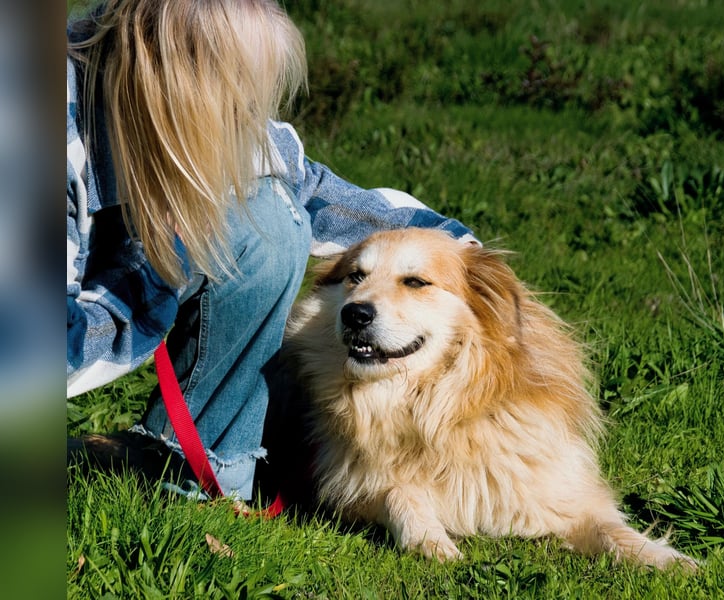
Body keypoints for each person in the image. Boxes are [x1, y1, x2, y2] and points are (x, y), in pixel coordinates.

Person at [67, 0, 477, 502]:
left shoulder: (210, 120)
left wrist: (464, 259)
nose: (248, 115)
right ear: (168, 76)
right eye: (235, 88)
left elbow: (315, 191)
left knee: (271, 217)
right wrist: (160, 269)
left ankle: (201, 470)